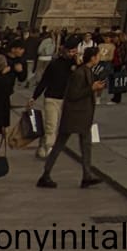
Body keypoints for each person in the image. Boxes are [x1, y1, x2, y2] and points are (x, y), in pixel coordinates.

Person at [38, 41, 105, 188]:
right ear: (92, 58)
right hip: (75, 114)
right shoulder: (80, 73)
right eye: (98, 56)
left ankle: (86, 175)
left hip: (82, 115)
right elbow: (73, 94)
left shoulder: (86, 71)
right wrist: (91, 88)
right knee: (60, 144)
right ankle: (46, 174)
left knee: (85, 145)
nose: (99, 58)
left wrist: (96, 88)